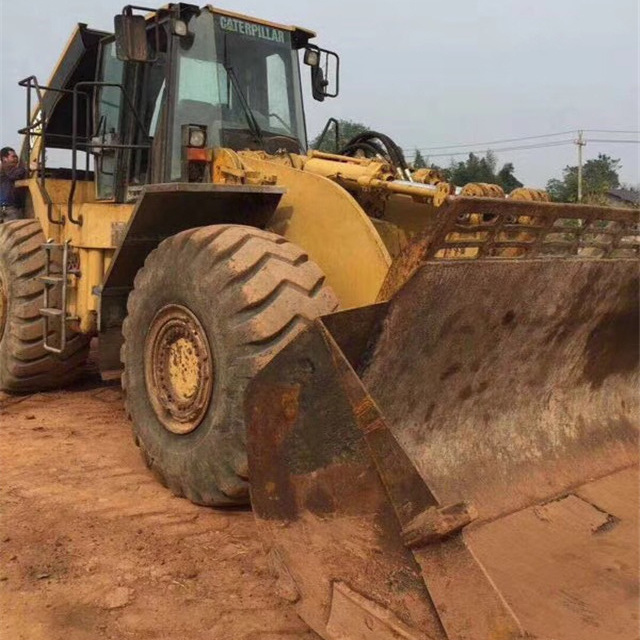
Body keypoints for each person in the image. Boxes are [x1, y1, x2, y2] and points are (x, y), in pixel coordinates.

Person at [0, 147, 28, 223]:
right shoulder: (8, 171)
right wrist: (27, 168)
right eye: (13, 157)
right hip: (10, 209)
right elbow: (14, 175)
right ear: (4, 158)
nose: (16, 159)